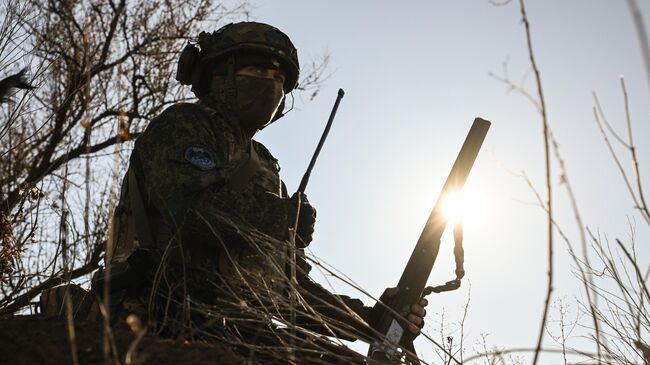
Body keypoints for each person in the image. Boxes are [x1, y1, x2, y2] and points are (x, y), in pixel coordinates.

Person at [98, 21, 427, 364]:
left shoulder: (266, 170)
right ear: (218, 75)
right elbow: (192, 212)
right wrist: (280, 216)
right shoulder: (184, 125)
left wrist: (370, 321)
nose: (269, 83)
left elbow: (288, 290)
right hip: (153, 313)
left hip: (239, 330)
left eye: (278, 78)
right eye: (256, 69)